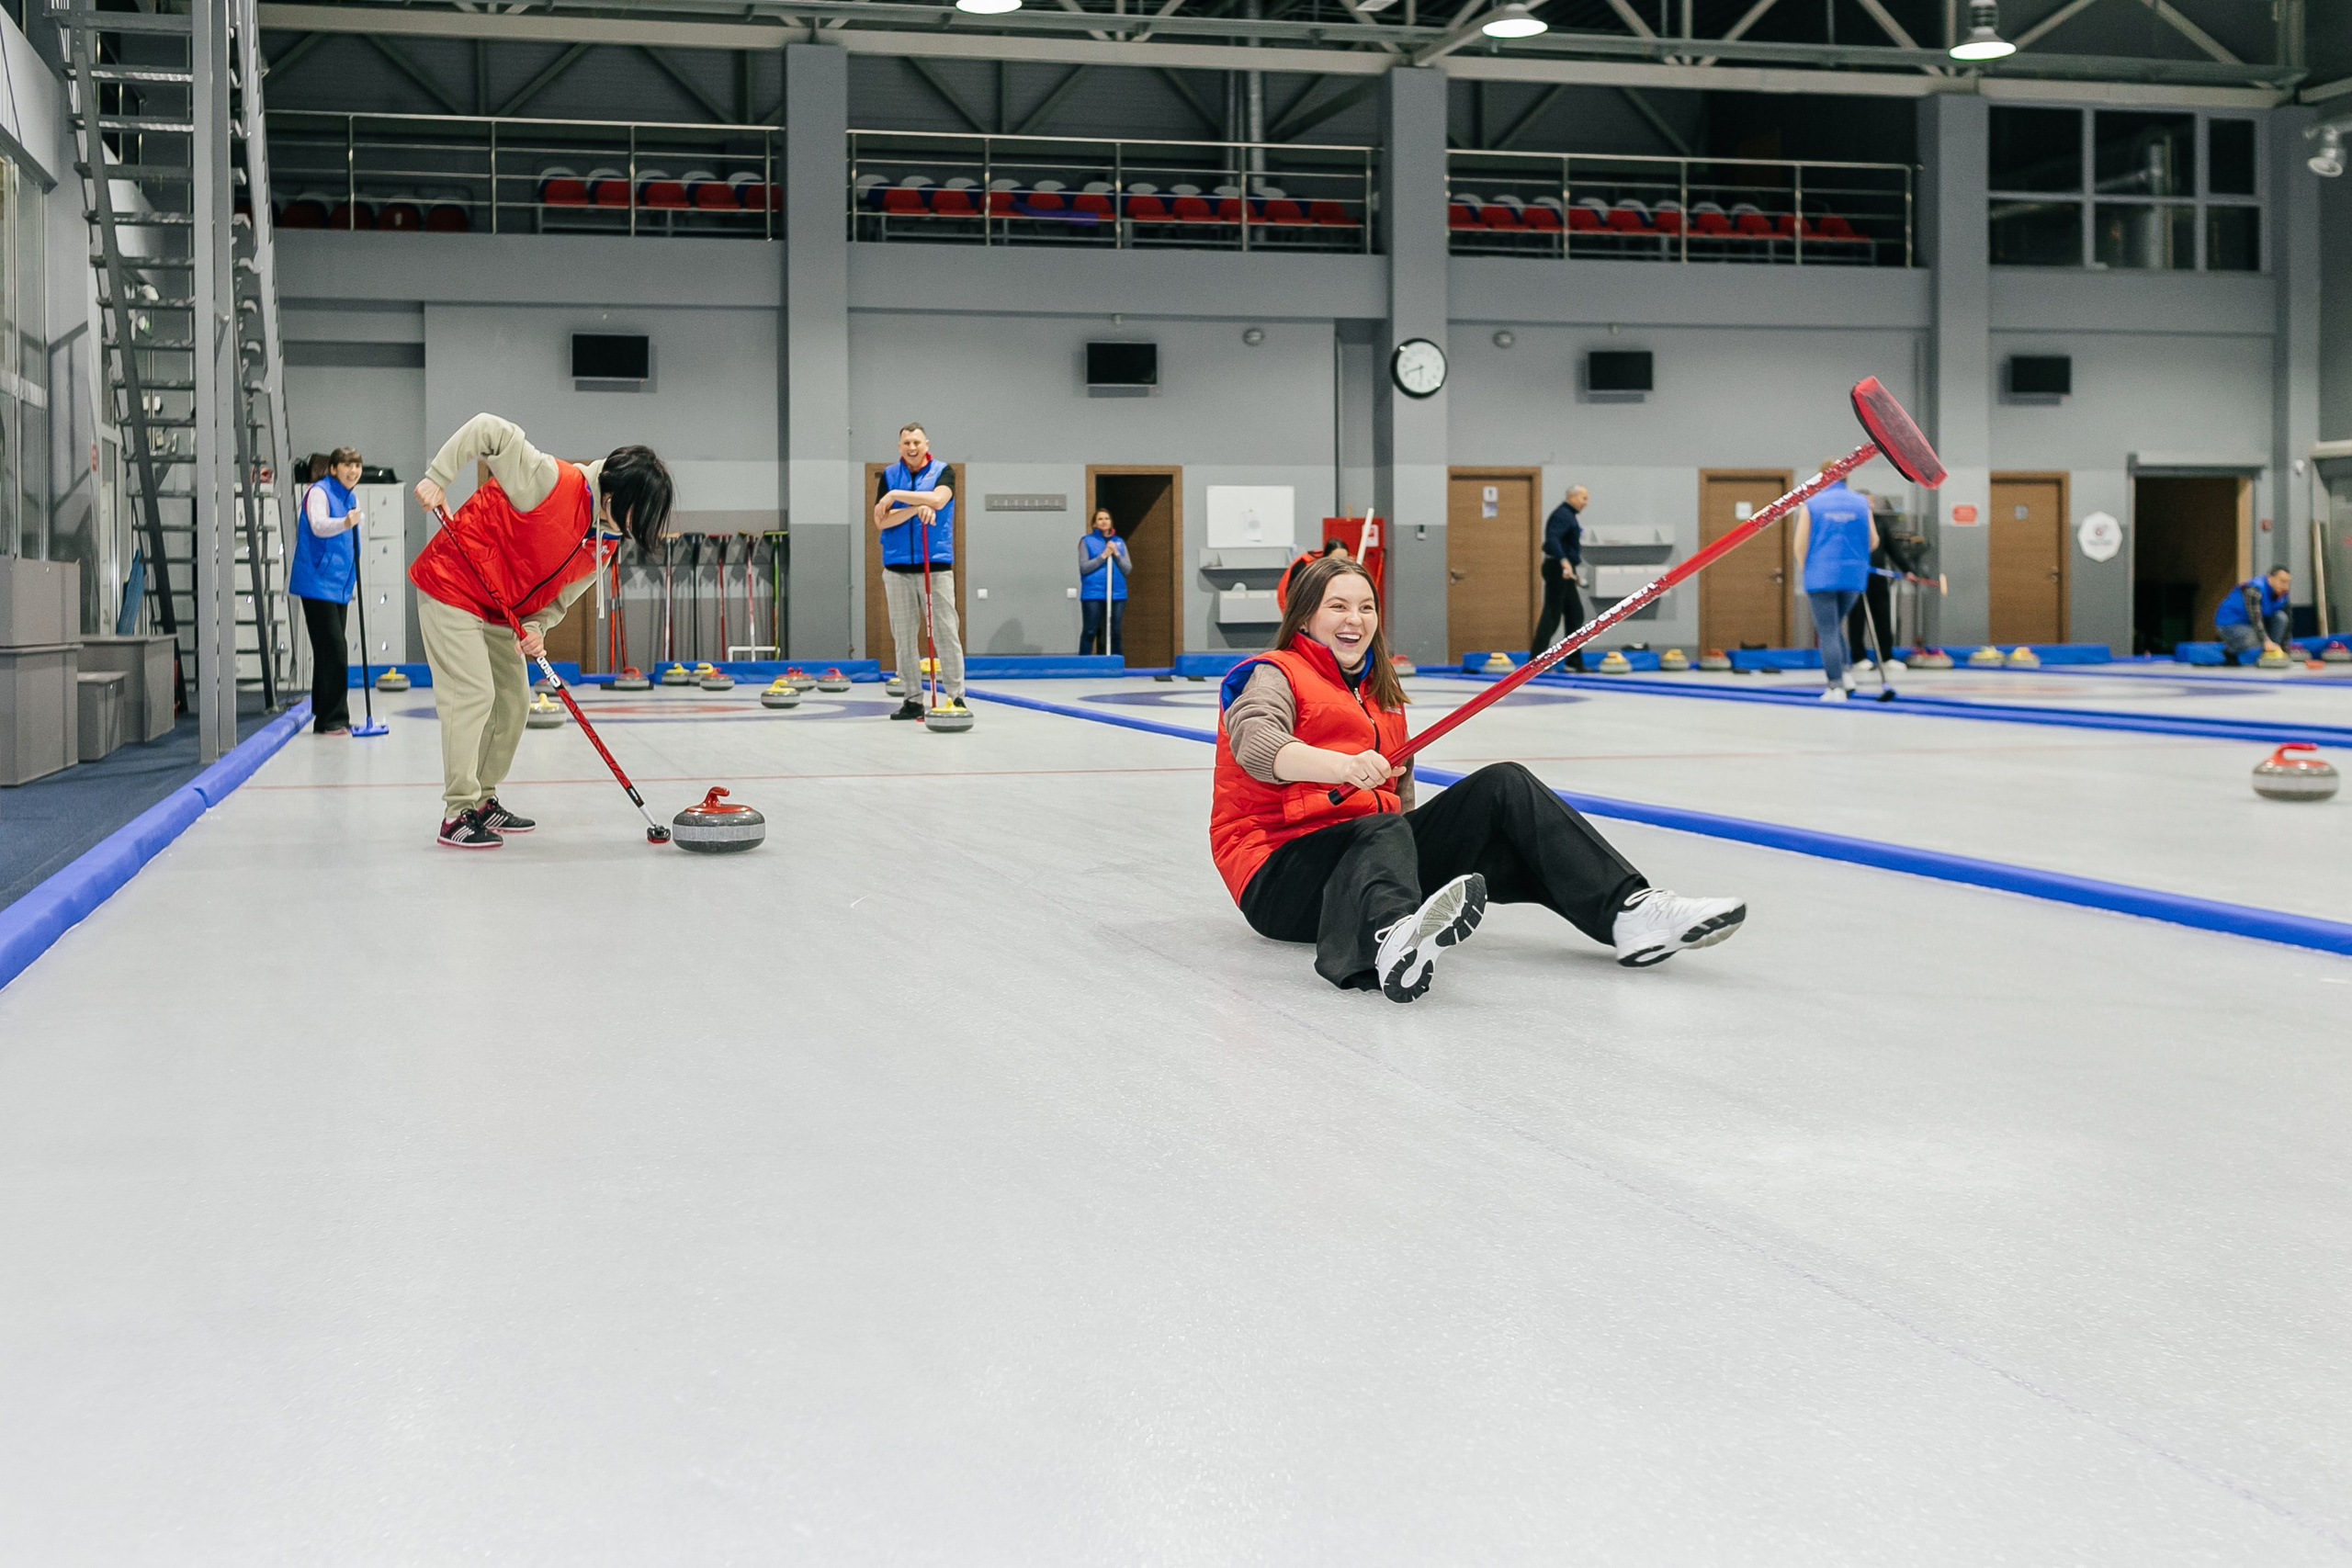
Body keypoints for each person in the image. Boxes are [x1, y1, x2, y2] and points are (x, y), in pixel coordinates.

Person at [1211, 555, 1747, 1002]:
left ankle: (1628, 913)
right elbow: (1258, 746)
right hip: (1279, 876)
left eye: (1367, 607)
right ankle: (1389, 939)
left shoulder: (1379, 696)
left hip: (1365, 861)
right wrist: (1342, 767)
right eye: (1338, 606)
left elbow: (1400, 808)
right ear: (1304, 617)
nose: (1356, 618)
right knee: (1381, 830)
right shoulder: (1272, 673)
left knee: (1502, 785)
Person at [409, 414, 673, 849]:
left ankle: (483, 800)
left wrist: (535, 628)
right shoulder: (552, 481)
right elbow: (488, 428)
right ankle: (457, 811)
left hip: (502, 609)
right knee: (474, 693)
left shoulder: (604, 542)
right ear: (615, 495)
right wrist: (439, 476)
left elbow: (559, 601)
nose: (638, 524)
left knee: (514, 703)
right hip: (452, 582)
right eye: (638, 512)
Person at [875, 423, 965, 721]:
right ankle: (913, 699)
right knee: (903, 636)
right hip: (897, 567)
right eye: (906, 443)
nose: (911, 448)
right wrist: (915, 508)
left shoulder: (943, 471)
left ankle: (956, 698)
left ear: (926, 443)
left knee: (945, 632)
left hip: (935, 565)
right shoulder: (888, 475)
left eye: (916, 442)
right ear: (899, 446)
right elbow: (882, 521)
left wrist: (896, 497)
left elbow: (939, 500)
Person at [288, 447, 363, 735]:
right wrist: (347, 522)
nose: (353, 471)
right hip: (317, 582)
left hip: (338, 585)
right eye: (347, 465)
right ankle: (333, 719)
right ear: (333, 468)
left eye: (357, 466)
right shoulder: (319, 492)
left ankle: (323, 712)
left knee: (327, 650)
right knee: (335, 649)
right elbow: (318, 526)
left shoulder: (350, 496)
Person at [1791, 463, 1878, 702]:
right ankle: (1846, 674)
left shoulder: (1813, 503)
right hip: (1853, 576)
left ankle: (1835, 685)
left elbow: (1800, 544)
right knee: (1835, 626)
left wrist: (1805, 568)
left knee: (1827, 630)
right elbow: (1874, 540)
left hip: (1820, 575)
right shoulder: (1861, 503)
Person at [1532, 483, 1589, 672]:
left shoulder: (1569, 516)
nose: (1586, 503)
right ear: (1572, 497)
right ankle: (1537, 661)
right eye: (1584, 498)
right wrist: (1564, 561)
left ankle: (1574, 660)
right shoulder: (1562, 515)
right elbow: (1553, 539)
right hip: (1557, 569)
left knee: (1575, 614)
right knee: (1552, 614)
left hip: (1564, 569)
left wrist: (1571, 567)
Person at [1079, 507, 1131, 657]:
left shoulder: (1119, 542)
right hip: (1093, 593)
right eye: (1100, 519)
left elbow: (1127, 568)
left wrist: (1116, 554)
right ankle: (1083, 665)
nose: (1103, 521)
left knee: (1115, 631)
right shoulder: (1086, 541)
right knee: (1090, 630)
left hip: (1117, 593)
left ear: (1111, 522)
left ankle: (1116, 664)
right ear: (1094, 523)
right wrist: (1103, 556)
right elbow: (1084, 567)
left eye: (1106, 518)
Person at [2214, 566, 2293, 664]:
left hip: (2248, 624)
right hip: (2229, 625)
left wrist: (2285, 647)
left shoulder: (2283, 594)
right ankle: (2230, 651)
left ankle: (2271, 653)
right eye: (2282, 581)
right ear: (2270, 578)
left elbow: (2288, 621)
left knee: (2281, 617)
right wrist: (2266, 641)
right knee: (2256, 638)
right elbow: (2256, 619)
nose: (2285, 586)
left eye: (2287, 582)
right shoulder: (2254, 590)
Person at [1276, 538, 1350, 614]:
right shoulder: (1308, 569)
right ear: (1326, 557)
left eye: (1344, 559)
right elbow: (1293, 596)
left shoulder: (1348, 571)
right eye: (1335, 559)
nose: (1340, 563)